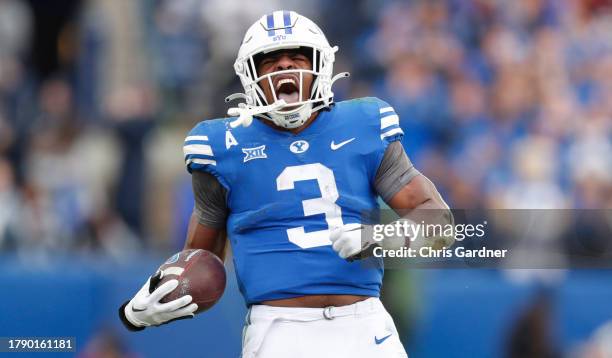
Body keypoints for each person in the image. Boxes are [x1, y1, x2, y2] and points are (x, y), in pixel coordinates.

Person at [119, 10, 451, 357]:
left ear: (321, 67)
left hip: (365, 322)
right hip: (280, 327)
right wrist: (140, 309)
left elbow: (438, 222)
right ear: (250, 75)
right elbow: (202, 260)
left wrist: (378, 237)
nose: (284, 67)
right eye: (270, 61)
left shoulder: (364, 123)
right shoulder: (222, 146)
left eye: (297, 58)